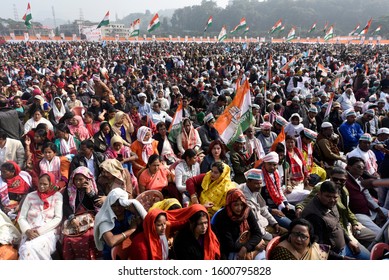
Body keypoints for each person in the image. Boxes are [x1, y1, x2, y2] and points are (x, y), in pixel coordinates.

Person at [295, 167, 376, 249]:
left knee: (374, 237)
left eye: (342, 180)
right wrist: (299, 208)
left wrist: (354, 222)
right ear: (330, 177)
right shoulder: (322, 188)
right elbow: (307, 202)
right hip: (338, 230)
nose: (338, 182)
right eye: (335, 179)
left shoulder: (344, 190)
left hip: (346, 225)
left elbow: (347, 210)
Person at [301, 180, 370, 260]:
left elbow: (338, 224)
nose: (332, 200)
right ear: (319, 194)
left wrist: (349, 240)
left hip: (346, 246)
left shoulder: (330, 204)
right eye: (328, 196)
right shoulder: (313, 216)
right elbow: (318, 246)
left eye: (335, 197)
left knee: (369, 258)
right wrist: (341, 258)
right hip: (333, 255)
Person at [17, 173, 63, 260]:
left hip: (48, 232)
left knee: (29, 248)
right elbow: (22, 217)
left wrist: (39, 232)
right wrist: (27, 231)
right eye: (40, 183)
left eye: (45, 184)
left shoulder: (57, 196)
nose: (41, 186)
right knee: (26, 249)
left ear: (51, 184)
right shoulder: (30, 196)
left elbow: (58, 218)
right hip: (29, 231)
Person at [94, 188, 147, 260]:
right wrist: (131, 230)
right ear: (109, 205)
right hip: (112, 255)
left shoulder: (128, 213)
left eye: (119, 205)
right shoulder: (104, 219)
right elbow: (111, 241)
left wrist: (136, 212)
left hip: (129, 249)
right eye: (114, 206)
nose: (117, 208)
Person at [62, 166, 102, 260]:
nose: (78, 182)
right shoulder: (69, 190)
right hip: (74, 217)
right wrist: (72, 218)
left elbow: (99, 204)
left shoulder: (95, 188)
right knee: (68, 239)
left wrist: (90, 193)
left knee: (90, 235)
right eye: (76, 179)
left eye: (81, 179)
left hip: (91, 217)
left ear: (87, 179)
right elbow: (66, 205)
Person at [212, 188, 265, 260]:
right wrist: (252, 246)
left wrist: (246, 247)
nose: (239, 208)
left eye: (242, 205)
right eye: (236, 205)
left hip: (246, 245)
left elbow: (257, 233)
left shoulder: (247, 212)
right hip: (230, 251)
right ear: (230, 204)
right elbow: (229, 245)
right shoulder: (223, 217)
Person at [240, 169, 287, 243]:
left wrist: (274, 223)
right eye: (256, 184)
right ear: (248, 182)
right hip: (256, 231)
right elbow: (254, 224)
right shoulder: (244, 197)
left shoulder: (254, 190)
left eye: (260, 183)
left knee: (286, 233)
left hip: (264, 225)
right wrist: (270, 236)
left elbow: (263, 209)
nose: (259, 186)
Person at [260, 152, 294, 229]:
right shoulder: (259, 176)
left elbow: (279, 190)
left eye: (274, 164)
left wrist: (285, 203)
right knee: (290, 225)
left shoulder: (276, 173)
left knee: (297, 213)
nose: (272, 167)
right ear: (264, 163)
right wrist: (271, 210)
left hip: (279, 204)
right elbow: (257, 201)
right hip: (267, 210)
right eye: (269, 164)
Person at [284, 135, 310, 204]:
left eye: (292, 142)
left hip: (301, 181)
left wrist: (306, 177)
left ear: (295, 143)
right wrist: (289, 184)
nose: (290, 144)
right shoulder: (285, 154)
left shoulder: (297, 151)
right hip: (292, 183)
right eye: (288, 142)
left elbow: (303, 164)